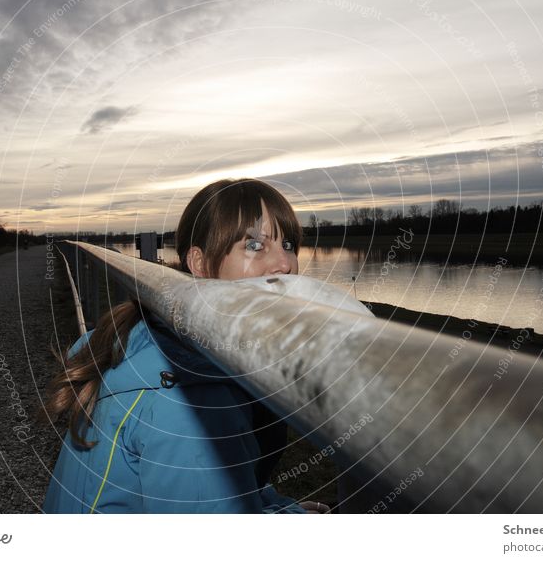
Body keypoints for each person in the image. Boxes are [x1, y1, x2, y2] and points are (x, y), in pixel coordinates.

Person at [41, 178, 331, 513]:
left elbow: (218, 490)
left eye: (289, 244)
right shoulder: (189, 402)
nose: (285, 264)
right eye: (255, 246)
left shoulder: (157, 340)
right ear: (199, 263)